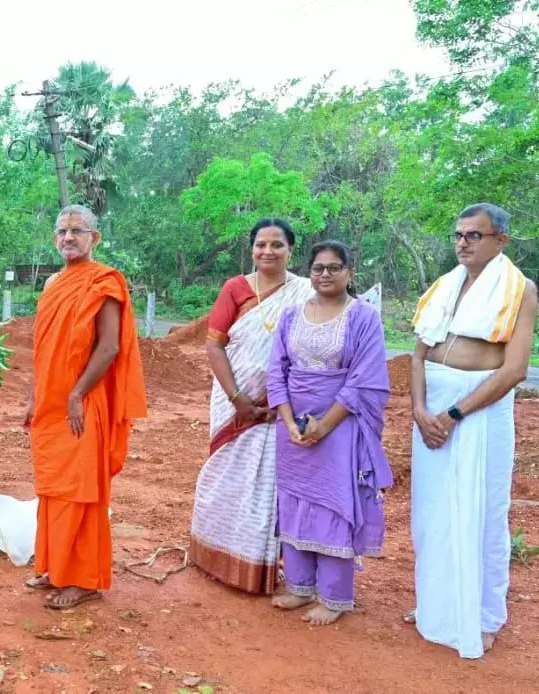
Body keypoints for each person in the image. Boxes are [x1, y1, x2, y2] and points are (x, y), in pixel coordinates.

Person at [408, 203, 537, 658]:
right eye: (458, 235)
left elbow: (514, 370)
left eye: (473, 236)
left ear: (500, 240)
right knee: (431, 513)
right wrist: (421, 410)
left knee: (481, 513)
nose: (462, 242)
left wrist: (453, 414)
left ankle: (481, 618)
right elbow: (419, 356)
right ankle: (437, 605)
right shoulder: (444, 286)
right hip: (431, 414)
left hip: (478, 413)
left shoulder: (520, 290)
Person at [23, 204, 147, 609]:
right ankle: (55, 568)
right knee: (53, 489)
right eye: (62, 231)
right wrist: (32, 396)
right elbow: (42, 348)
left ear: (95, 238)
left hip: (83, 402)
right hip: (50, 404)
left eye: (77, 230)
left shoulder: (105, 282)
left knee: (81, 491)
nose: (68, 237)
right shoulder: (53, 283)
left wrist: (77, 393)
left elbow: (109, 346)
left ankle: (83, 579)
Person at [266, 241, 392, 625]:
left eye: (334, 267)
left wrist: (325, 425)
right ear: (309, 273)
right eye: (318, 268)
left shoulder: (364, 317)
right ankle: (300, 586)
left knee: (335, 503)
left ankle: (335, 597)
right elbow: (277, 371)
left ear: (350, 272)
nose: (325, 275)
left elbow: (364, 378)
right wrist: (289, 422)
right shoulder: (291, 316)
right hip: (293, 428)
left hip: (340, 425)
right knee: (295, 501)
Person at [189, 218, 315, 595]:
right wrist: (237, 398)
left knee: (270, 484)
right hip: (234, 402)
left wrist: (286, 400)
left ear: (291, 249)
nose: (268, 251)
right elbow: (215, 345)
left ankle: (257, 565)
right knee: (225, 475)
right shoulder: (236, 288)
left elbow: (310, 350)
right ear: (251, 248)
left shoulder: (306, 291)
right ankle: (215, 555)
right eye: (261, 244)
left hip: (282, 406)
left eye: (277, 244)